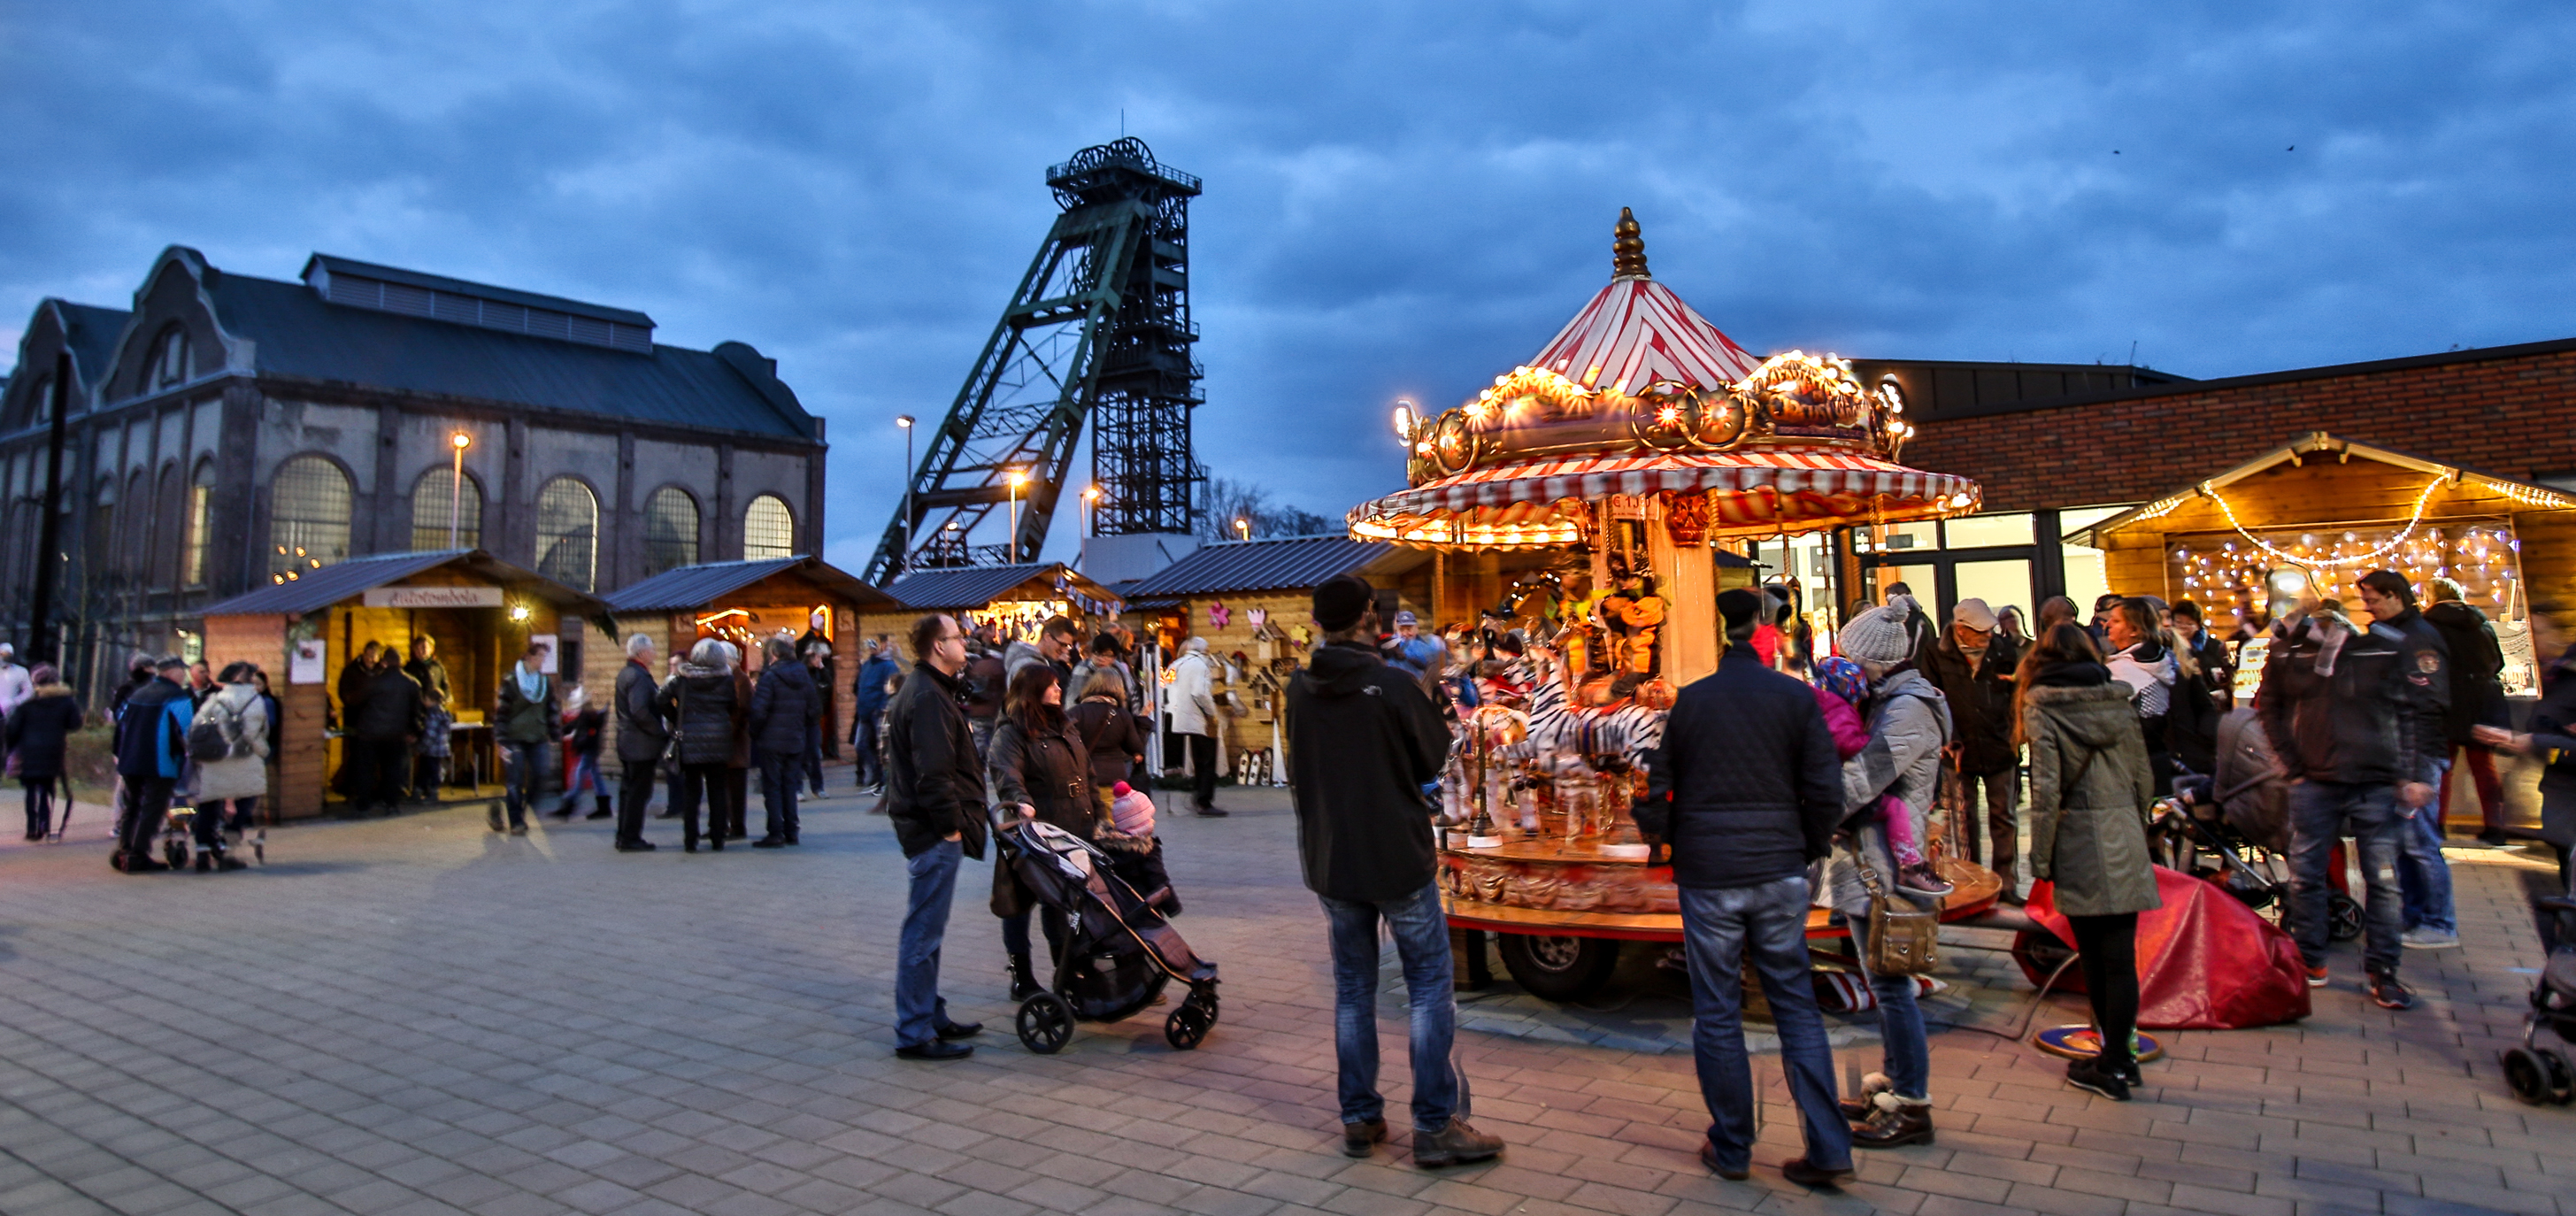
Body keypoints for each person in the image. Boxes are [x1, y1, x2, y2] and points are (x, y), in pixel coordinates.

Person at [1634, 588, 1851, 1185]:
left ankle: (1731, 1145)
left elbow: (1658, 783)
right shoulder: (1794, 698)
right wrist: (1807, 843)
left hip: (1709, 871)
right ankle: (1828, 1145)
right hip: (1778, 866)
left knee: (1717, 1009)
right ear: (1763, 631)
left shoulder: (1693, 703)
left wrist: (1666, 840)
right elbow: (1825, 786)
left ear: (1717, 633)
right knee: (1795, 1006)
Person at [1283, 573, 1499, 1169]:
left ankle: (1359, 1116)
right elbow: (1432, 755)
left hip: (1330, 857)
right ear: (1365, 622)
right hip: (1396, 855)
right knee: (1429, 985)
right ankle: (1434, 1125)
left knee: (1353, 988)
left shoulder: (1298, 689)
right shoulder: (1391, 684)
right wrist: (1426, 689)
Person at [2257, 570, 2446, 1009]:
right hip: (2317, 782)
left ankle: (2383, 971)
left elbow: (2416, 712)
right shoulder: (2292, 655)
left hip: (2375, 782)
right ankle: (2310, 961)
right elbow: (2269, 706)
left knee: (2383, 881)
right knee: (2306, 877)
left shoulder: (2385, 651)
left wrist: (2412, 773)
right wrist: (2291, 765)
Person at [1819, 602, 1948, 1151]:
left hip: (1890, 867)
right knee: (1882, 982)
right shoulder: (1885, 704)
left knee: (1893, 986)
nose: (1846, 666)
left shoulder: (1907, 713)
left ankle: (1913, 1103)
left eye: (1852, 657)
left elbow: (1861, 781)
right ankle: (1893, 1085)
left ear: (1875, 661)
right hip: (1869, 861)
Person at [2018, 623, 2161, 1100]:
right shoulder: (2117, 699)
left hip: (2077, 836)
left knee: (2096, 959)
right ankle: (2123, 1059)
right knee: (2119, 959)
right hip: (2123, 833)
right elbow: (2144, 778)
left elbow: (2047, 787)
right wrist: (2134, 822)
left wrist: (2041, 857)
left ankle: (2113, 1064)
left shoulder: (2041, 704)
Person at [884, 613, 986, 1059]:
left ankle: (930, 1012)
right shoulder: (927, 696)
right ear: (938, 647)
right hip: (932, 832)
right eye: (958, 637)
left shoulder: (930, 690)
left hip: (931, 828)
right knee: (923, 932)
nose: (965, 643)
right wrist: (949, 828)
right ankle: (914, 1031)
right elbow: (933, 774)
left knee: (930, 929)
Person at [988, 664, 1098, 998]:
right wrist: (1020, 802)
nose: (1058, 690)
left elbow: (1087, 774)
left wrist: (1099, 814)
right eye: (1051, 685)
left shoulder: (1066, 726)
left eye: (1057, 685)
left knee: (1065, 905)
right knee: (1020, 904)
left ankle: (1067, 972)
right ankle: (1021, 975)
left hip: (1075, 827)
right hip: (1035, 832)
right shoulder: (1012, 731)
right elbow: (1006, 772)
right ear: (1033, 691)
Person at [1812, 658, 1949, 897]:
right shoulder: (1841, 709)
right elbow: (1849, 747)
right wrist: (1869, 743)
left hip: (1828, 788)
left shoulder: (1819, 703)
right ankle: (1911, 865)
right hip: (1838, 790)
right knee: (1893, 808)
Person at [1927, 597, 2026, 900]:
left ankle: (2007, 884)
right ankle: (1972, 883)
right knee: (1963, 820)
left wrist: (2014, 733)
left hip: (1999, 745)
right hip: (1958, 749)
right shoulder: (1936, 652)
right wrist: (1947, 738)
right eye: (1980, 631)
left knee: (2004, 816)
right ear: (1960, 629)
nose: (1987, 636)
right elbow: (1932, 698)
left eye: (1989, 630)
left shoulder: (2003, 650)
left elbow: (2015, 694)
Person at [2477, 602, 2575, 889]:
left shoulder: (2568, 675)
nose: (2533, 639)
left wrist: (2534, 740)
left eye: (2539, 631)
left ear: (2556, 633)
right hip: (2559, 792)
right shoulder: (2558, 675)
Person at [2422, 579, 2511, 846]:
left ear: (2431, 597)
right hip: (2484, 699)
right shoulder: (2481, 623)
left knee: (2443, 766)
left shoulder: (2429, 626)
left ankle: (2438, 825)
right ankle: (2495, 827)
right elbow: (2498, 662)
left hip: (2448, 700)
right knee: (2484, 767)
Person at [112, 657, 195, 873]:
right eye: (181, 670)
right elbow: (189, 728)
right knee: (153, 807)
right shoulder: (177, 696)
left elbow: (121, 722)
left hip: (131, 758)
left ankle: (125, 849)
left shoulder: (139, 693)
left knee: (132, 805)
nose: (184, 675)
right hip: (161, 761)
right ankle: (139, 854)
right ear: (170, 672)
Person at [188, 662, 271, 872]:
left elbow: (197, 726)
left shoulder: (215, 699)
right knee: (244, 806)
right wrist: (263, 751)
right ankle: (227, 851)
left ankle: (202, 854)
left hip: (216, 759)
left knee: (209, 806)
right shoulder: (255, 701)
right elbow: (257, 734)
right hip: (245, 760)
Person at [662, 639, 742, 852]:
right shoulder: (725, 680)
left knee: (692, 791)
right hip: (718, 740)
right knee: (717, 790)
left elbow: (660, 698)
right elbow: (733, 707)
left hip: (690, 740)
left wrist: (677, 718)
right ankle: (717, 838)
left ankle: (691, 840)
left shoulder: (683, 678)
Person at [748, 636, 822, 848]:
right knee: (790, 785)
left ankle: (775, 832)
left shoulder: (770, 677)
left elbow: (758, 711)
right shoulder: (804, 675)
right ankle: (792, 831)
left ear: (772, 655)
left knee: (772, 787)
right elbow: (815, 709)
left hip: (771, 741)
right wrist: (802, 727)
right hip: (796, 739)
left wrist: (755, 733)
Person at [2103, 598, 2180, 795]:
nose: (2107, 624)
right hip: (2159, 758)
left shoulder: (2122, 670)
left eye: (2116, 621)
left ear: (2134, 630)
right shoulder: (2163, 660)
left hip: (2135, 764)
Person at [6, 664, 80, 841]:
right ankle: (45, 824)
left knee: (31, 790)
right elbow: (75, 724)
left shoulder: (28, 703)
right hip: (54, 750)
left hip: (28, 751)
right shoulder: (66, 701)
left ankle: (32, 828)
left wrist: (11, 749)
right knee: (47, 787)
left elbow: (13, 729)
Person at [494, 641, 559, 835]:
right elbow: (501, 712)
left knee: (540, 774)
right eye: (540, 656)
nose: (543, 661)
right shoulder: (512, 680)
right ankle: (516, 821)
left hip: (537, 736)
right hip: (514, 737)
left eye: (544, 657)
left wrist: (555, 733)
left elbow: (551, 709)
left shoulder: (544, 682)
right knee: (515, 778)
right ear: (530, 657)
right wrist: (501, 739)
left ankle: (520, 810)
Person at [348, 647, 423, 816]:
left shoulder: (373, 681)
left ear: (384, 662)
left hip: (369, 733)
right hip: (396, 733)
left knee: (366, 770)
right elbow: (416, 712)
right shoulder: (412, 684)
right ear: (401, 662)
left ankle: (364, 805)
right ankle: (391, 804)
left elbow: (355, 701)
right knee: (393, 770)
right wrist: (414, 731)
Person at [1066, 667, 1146, 822]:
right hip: (1112, 780)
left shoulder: (1075, 713)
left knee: (1084, 826)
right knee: (1109, 829)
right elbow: (1136, 747)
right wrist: (1143, 723)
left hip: (1082, 780)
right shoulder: (1122, 715)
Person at [611, 635, 665, 852]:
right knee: (638, 793)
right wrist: (658, 731)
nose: (655, 653)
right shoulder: (638, 677)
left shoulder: (627, 673)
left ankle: (623, 834)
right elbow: (640, 710)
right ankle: (630, 837)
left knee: (629, 790)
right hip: (640, 745)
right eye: (652, 649)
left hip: (629, 742)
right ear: (642, 653)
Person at [1168, 636, 1226, 817]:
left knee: (1195, 757)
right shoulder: (1200, 665)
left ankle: (1196, 795)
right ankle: (1204, 800)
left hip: (1178, 716)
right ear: (1204, 650)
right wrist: (1211, 713)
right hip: (1199, 717)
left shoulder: (1176, 664)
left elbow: (1166, 686)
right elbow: (1200, 692)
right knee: (1207, 759)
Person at [552, 683, 611, 821]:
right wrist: (561, 731)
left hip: (588, 747)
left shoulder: (593, 712)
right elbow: (576, 724)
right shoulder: (589, 712)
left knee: (579, 775)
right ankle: (604, 807)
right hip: (590, 747)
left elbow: (584, 726)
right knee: (595, 775)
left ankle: (569, 805)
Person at [405, 637, 452, 797]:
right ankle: (414, 787)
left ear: (432, 649)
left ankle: (429, 788)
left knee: (431, 763)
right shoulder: (410, 668)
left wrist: (440, 701)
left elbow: (446, 688)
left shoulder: (438, 667)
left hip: (433, 716)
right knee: (421, 761)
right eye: (418, 648)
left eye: (425, 647)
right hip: (417, 715)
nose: (422, 651)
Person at [850, 637, 898, 794]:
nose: (871, 650)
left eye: (873, 647)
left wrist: (881, 708)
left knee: (881, 747)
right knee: (861, 745)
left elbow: (892, 688)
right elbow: (860, 687)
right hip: (865, 712)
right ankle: (877, 777)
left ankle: (882, 780)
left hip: (877, 712)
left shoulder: (889, 666)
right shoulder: (867, 665)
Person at [2170, 600, 2234, 712]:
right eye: (2178, 622)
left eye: (2189, 624)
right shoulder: (2166, 647)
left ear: (2198, 626)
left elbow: (2226, 679)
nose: (2183, 627)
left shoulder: (2214, 647)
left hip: (2210, 705)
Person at [1003, 616, 1080, 700]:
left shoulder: (1032, 661)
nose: (1065, 651)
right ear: (1047, 637)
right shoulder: (1030, 666)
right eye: (1062, 644)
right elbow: (1029, 705)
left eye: (1068, 646)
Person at [1383, 611, 1447, 685]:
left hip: (1419, 687)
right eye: (1401, 629)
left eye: (1409, 629)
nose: (1405, 633)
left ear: (1416, 628)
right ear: (1397, 629)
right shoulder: (1390, 644)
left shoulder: (1424, 644)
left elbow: (1424, 659)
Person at [801, 642, 831, 799]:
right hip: (800, 718)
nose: (820, 660)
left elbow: (829, 684)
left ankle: (817, 787)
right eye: (818, 657)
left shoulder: (818, 672)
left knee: (814, 754)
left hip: (813, 719)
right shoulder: (802, 671)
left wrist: (822, 669)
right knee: (799, 754)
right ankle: (798, 789)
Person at [0, 642, 32, 724]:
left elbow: (29, 691)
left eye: (7, 655)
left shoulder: (21, 671)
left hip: (12, 713)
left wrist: (15, 702)